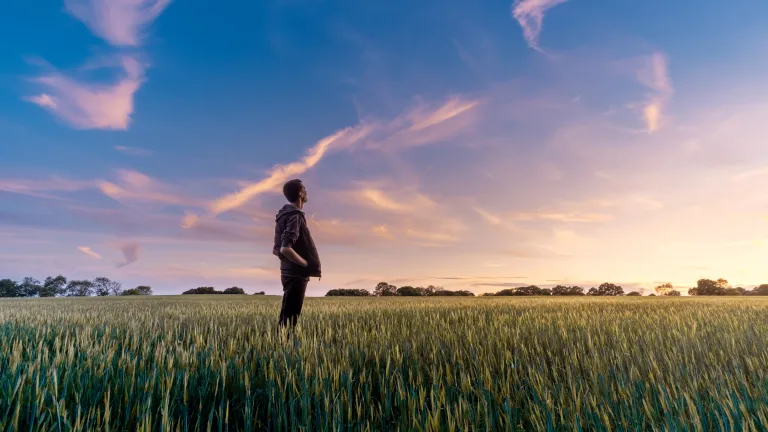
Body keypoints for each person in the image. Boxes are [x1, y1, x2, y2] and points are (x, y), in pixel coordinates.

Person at [273, 179, 321, 328]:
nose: (306, 192)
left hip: (287, 272)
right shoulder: (295, 216)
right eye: (304, 189)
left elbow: (276, 249)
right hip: (295, 274)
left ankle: (280, 346)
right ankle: (282, 348)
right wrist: (305, 264)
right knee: (290, 319)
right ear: (300, 193)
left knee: (287, 316)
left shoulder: (283, 215)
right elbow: (284, 248)